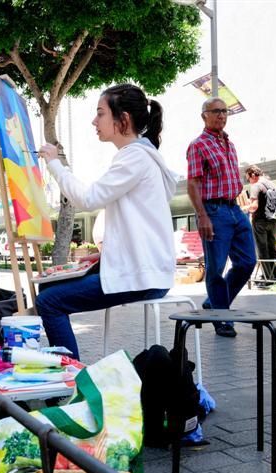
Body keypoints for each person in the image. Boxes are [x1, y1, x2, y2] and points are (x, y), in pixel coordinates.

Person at [36, 83, 178, 360]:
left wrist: (55, 164)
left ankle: (72, 381)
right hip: (144, 269)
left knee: (48, 302)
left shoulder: (135, 157)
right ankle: (67, 372)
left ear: (122, 120)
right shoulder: (141, 155)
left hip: (143, 276)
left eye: (100, 113)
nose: (94, 121)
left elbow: (89, 199)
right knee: (47, 287)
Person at [186, 97, 257, 337]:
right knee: (216, 268)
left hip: (235, 209)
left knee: (247, 262)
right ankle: (221, 318)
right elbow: (193, 184)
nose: (221, 115)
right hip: (213, 211)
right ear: (204, 115)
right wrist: (202, 215)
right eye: (216, 111)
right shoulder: (198, 145)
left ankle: (215, 302)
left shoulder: (230, 144)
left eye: (225, 111)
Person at [246, 165, 276, 287]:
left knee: (262, 249)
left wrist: (244, 208)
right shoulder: (273, 184)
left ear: (252, 175)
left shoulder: (256, 186)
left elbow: (254, 206)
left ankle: (267, 278)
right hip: (273, 220)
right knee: (272, 249)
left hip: (260, 221)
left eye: (248, 178)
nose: (249, 181)